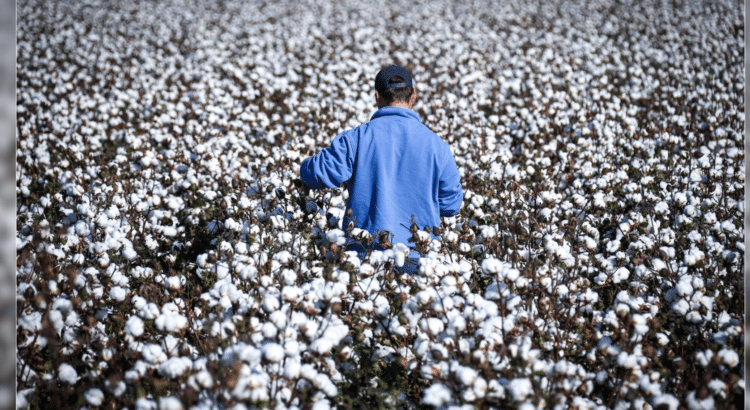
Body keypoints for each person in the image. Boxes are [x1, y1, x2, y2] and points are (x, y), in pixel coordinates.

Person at [299, 64, 463, 266]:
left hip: (366, 260)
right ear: (414, 96)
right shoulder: (438, 146)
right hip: (421, 261)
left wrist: (304, 167)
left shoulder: (356, 139)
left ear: (377, 97)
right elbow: (450, 205)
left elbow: (316, 174)